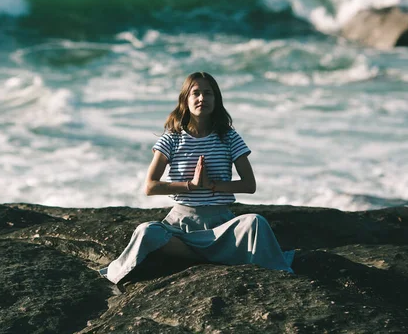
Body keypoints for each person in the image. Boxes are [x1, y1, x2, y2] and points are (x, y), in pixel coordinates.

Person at [99, 72, 294, 284]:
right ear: (186, 100)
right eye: (196, 93)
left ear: (216, 99)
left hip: (220, 228)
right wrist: (191, 185)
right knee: (147, 231)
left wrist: (213, 185)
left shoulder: (228, 136)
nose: (202, 98)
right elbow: (150, 186)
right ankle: (215, 256)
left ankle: (203, 256)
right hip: (180, 228)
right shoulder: (172, 139)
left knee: (256, 222)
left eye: (208, 93)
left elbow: (249, 185)